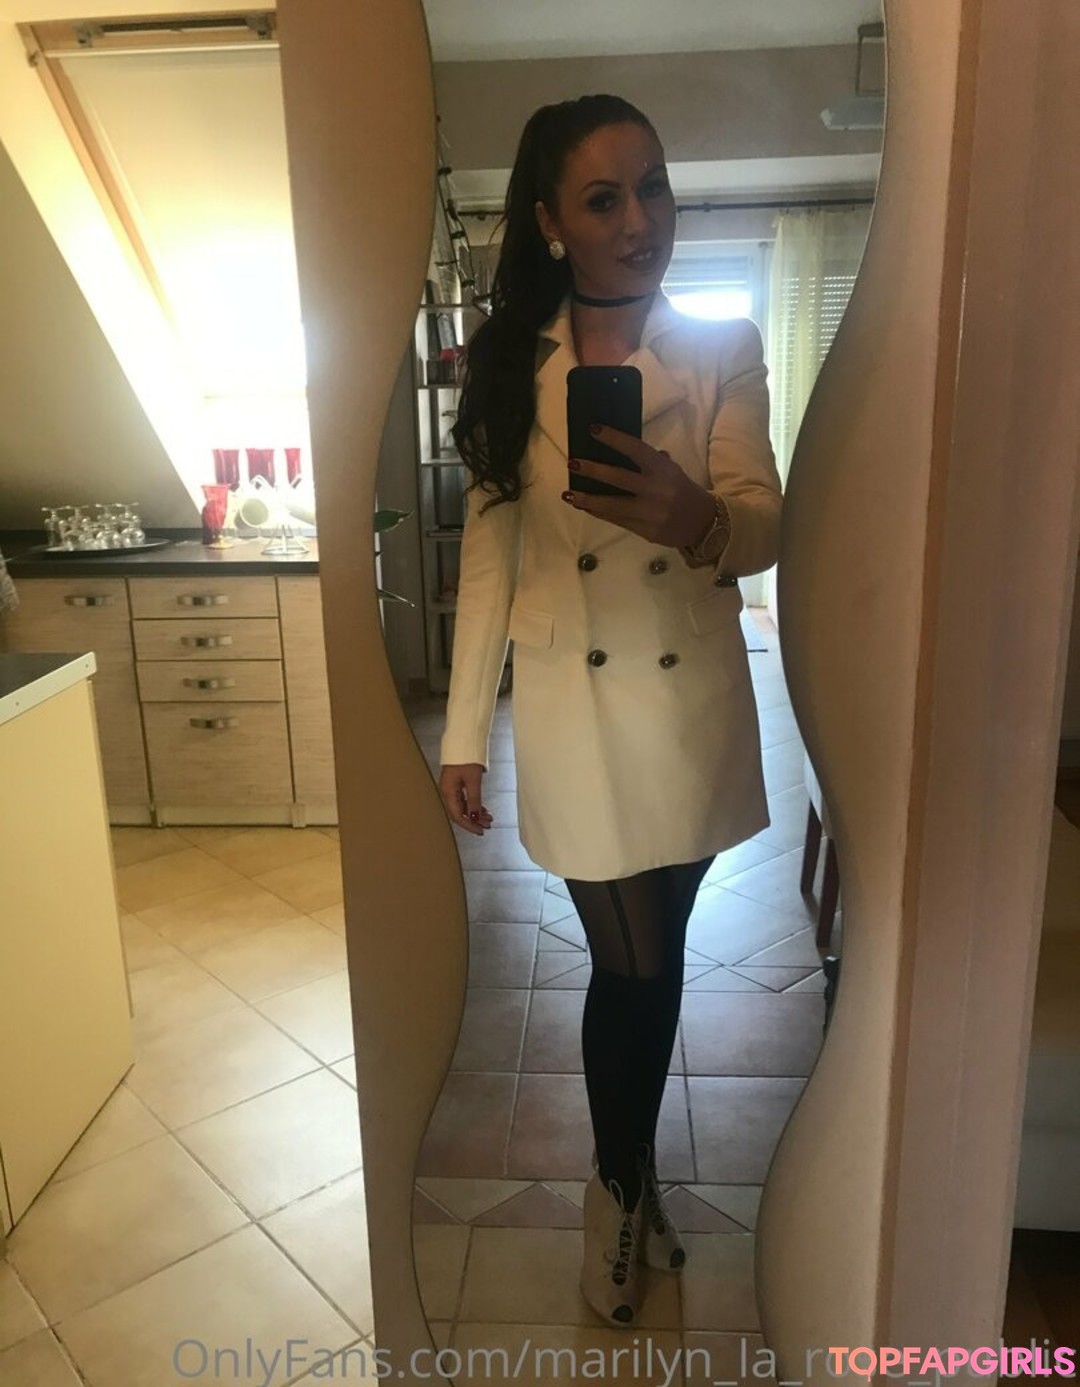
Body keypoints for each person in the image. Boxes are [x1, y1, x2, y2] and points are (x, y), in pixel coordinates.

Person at [437, 94, 783, 1327]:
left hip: (686, 707)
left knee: (658, 956)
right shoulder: (505, 363)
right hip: (575, 714)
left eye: (654, 187)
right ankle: (618, 1193)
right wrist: (462, 734)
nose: (642, 220)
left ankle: (629, 1180)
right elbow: (490, 559)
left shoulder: (723, 342)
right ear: (551, 222)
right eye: (604, 198)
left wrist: (699, 519)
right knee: (628, 959)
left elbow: (764, 519)